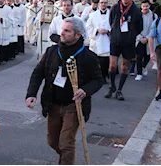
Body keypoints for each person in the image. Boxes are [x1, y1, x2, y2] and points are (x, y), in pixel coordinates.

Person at [25, 17, 103, 166]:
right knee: (53, 141)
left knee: (66, 143)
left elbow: (98, 80)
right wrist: (31, 94)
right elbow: (38, 73)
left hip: (74, 105)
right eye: (62, 30)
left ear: (78, 35)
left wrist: (85, 90)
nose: (62, 33)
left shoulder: (88, 56)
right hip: (53, 103)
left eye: (67, 31)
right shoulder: (52, 51)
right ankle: (66, 160)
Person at [105, 0, 143, 101]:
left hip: (128, 43)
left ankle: (119, 90)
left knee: (125, 66)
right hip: (115, 41)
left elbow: (139, 27)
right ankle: (112, 85)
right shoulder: (115, 7)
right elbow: (111, 20)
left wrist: (131, 36)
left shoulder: (136, 10)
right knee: (112, 65)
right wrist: (115, 32)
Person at [86, 0, 111, 84]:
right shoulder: (92, 15)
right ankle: (95, 76)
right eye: (101, 3)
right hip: (97, 40)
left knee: (105, 61)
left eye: (105, 2)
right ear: (98, 4)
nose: (103, 4)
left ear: (107, 4)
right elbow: (88, 27)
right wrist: (97, 30)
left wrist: (108, 31)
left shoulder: (111, 14)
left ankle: (103, 76)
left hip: (107, 40)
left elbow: (115, 26)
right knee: (95, 61)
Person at [134, 0, 157, 81]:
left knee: (148, 56)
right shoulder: (137, 15)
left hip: (150, 38)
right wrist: (140, 37)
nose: (145, 8)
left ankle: (144, 66)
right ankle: (139, 73)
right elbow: (134, 27)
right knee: (139, 56)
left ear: (149, 6)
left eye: (146, 6)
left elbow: (155, 28)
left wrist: (147, 37)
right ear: (141, 6)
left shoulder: (154, 16)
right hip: (139, 38)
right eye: (143, 6)